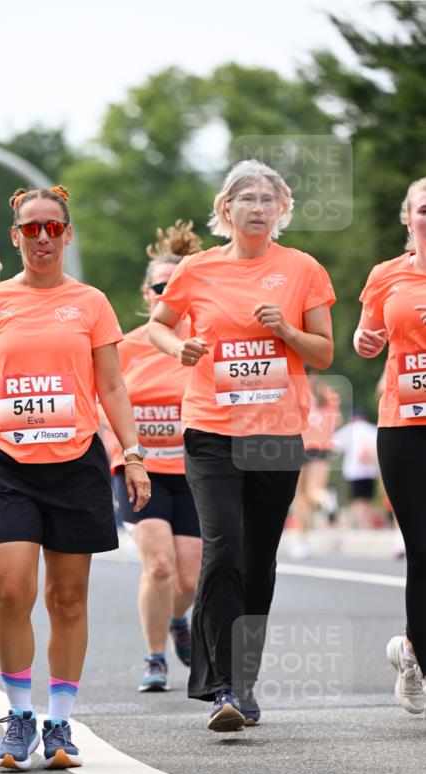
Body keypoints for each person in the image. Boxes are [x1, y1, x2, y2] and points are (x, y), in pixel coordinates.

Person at [0, 185, 150, 770]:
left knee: (68, 597)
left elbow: (111, 385)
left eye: (53, 228)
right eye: (32, 229)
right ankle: (19, 715)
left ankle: (60, 724)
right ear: (16, 236)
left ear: (67, 233)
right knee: (10, 591)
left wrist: (132, 453)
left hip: (76, 461)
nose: (43, 238)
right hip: (7, 462)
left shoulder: (91, 302)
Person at [147, 160, 335, 732]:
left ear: (281, 210)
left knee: (258, 561)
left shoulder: (302, 269)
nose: (257, 207)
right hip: (212, 431)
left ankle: (244, 681)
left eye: (267, 199)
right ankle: (220, 685)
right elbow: (160, 323)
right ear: (225, 209)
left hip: (276, 435)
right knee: (222, 547)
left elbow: (323, 354)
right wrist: (174, 348)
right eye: (245, 198)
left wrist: (287, 330)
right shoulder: (197, 270)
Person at [107, 221, 203, 692]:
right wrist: (123, 455)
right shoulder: (125, 347)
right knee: (159, 565)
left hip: (193, 474)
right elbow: (102, 404)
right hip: (140, 472)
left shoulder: (203, 344)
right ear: (148, 294)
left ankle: (177, 620)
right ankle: (154, 659)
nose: (171, 294)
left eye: (179, 286)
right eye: (162, 287)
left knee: (188, 577)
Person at [353, 176, 426, 717]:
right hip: (404, 424)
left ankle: (409, 647)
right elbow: (366, 336)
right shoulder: (386, 276)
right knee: (422, 549)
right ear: (408, 218)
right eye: (425, 209)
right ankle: (418, 654)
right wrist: (366, 340)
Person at [290, 369, 340, 558]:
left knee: (299, 496)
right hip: (322, 446)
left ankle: (302, 542)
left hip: (299, 443)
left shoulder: (295, 389)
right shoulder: (328, 393)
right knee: (314, 491)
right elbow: (335, 421)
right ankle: (326, 498)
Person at [332, 409, 379, 528]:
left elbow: (334, 443)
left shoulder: (350, 429)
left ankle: (361, 524)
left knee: (358, 499)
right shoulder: (371, 429)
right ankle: (367, 523)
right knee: (368, 498)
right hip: (370, 471)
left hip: (354, 471)